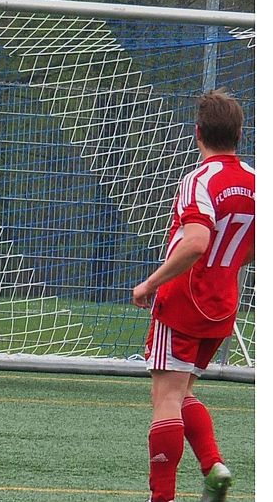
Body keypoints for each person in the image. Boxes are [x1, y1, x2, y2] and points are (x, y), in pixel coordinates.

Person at [131, 89, 254, 502]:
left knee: (165, 397)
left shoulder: (198, 180)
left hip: (184, 299)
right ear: (239, 134)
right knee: (182, 390)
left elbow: (197, 241)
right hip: (222, 304)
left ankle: (161, 498)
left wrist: (150, 283)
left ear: (198, 132)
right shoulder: (256, 183)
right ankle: (213, 466)